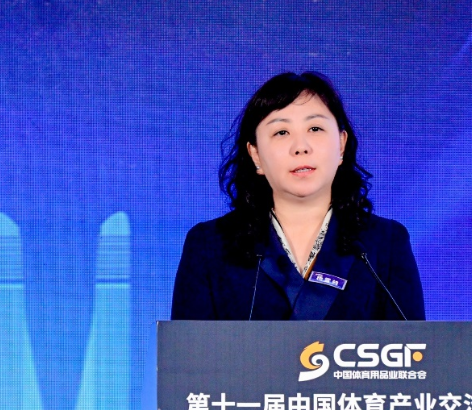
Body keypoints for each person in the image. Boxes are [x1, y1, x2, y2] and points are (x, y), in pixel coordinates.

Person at [171, 72, 424, 320]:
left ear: (341, 145)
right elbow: (189, 346)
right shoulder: (210, 245)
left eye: (315, 128)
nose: (301, 147)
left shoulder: (385, 244)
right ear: (255, 154)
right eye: (281, 132)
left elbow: (413, 345)